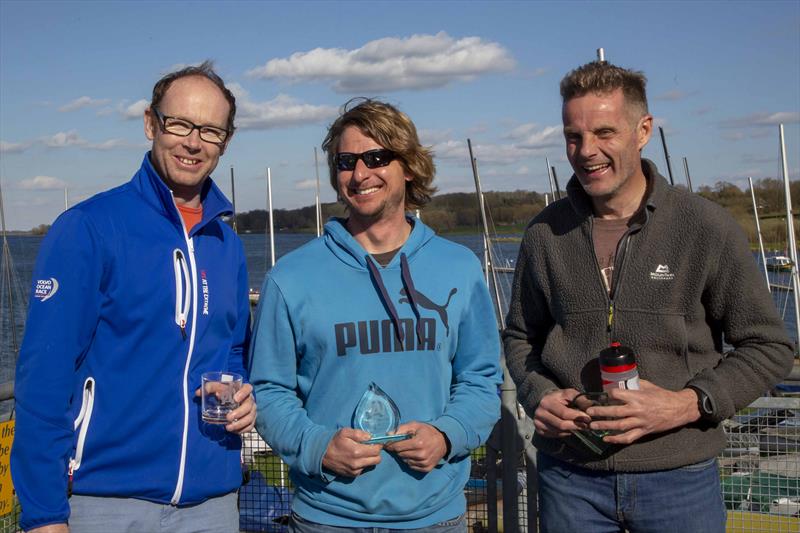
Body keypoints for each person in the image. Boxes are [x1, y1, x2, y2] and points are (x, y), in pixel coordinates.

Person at [503, 60, 795, 532]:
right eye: (573, 136)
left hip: (679, 481)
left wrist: (686, 403)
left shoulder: (704, 227)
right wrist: (539, 397)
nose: (586, 151)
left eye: (604, 132)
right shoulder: (544, 233)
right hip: (570, 481)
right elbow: (519, 337)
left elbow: (769, 346)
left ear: (643, 131)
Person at [12, 61, 255, 533]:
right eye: (179, 123)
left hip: (214, 504)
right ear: (150, 123)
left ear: (226, 141)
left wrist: (242, 391)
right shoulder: (88, 229)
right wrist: (43, 516)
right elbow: (44, 378)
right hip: (105, 504)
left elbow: (234, 348)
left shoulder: (227, 244)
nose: (192, 142)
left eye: (210, 130)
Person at [248, 98, 502, 532]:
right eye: (346, 161)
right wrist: (318, 446)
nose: (360, 174)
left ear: (409, 166)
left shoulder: (458, 268)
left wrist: (446, 435)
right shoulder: (290, 278)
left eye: (377, 157)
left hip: (435, 519)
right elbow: (269, 391)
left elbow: (481, 379)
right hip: (326, 518)